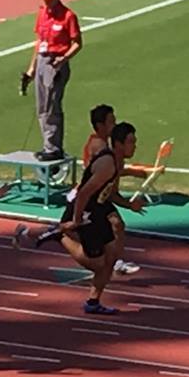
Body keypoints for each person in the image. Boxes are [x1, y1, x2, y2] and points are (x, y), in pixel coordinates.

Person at [15, 123, 142, 314]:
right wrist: (76, 220)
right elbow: (83, 194)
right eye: (131, 142)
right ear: (118, 144)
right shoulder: (107, 164)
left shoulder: (118, 163)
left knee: (110, 257)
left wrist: (129, 205)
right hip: (84, 210)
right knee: (97, 264)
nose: (135, 146)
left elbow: (110, 193)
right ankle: (59, 235)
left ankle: (93, 302)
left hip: (97, 209)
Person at [22, 0, 82, 162]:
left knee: (51, 105)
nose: (47, 1)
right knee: (42, 105)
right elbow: (39, 41)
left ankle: (54, 147)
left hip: (56, 62)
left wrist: (64, 59)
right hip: (42, 59)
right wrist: (32, 68)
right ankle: (48, 144)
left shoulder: (68, 16)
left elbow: (77, 43)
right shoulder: (42, 14)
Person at [81, 104, 141, 275]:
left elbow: (112, 187)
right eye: (111, 122)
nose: (114, 125)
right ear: (100, 125)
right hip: (86, 199)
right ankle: (28, 233)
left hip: (101, 197)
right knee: (69, 232)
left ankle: (115, 262)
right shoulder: (99, 146)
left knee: (117, 225)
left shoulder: (108, 148)